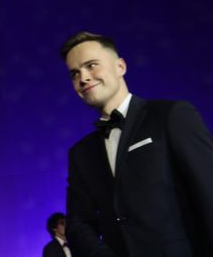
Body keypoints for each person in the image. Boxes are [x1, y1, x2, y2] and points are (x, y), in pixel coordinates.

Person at [61, 31, 213, 257]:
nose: (83, 78)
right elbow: (78, 225)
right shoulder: (81, 153)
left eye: (91, 65)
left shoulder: (170, 116)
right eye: (75, 73)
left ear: (120, 67)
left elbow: (208, 193)